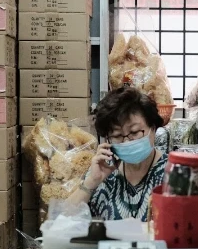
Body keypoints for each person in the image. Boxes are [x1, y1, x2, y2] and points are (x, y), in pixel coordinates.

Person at [67, 87, 166, 221]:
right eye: (117, 135)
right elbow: (61, 221)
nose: (126, 141)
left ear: (153, 129)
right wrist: (91, 182)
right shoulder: (103, 170)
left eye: (135, 132)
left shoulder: (173, 172)